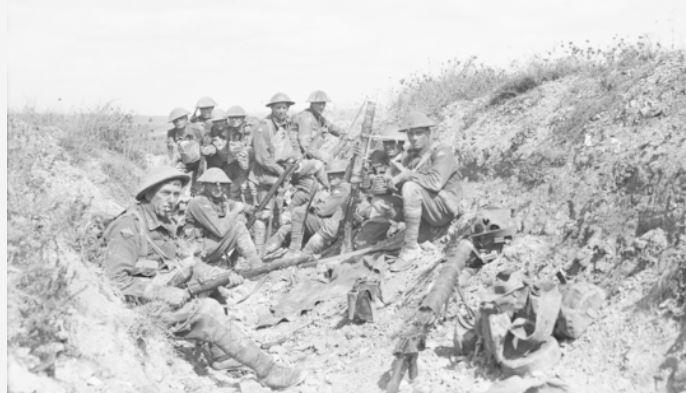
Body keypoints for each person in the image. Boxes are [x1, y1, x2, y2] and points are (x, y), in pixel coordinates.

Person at [103, 167, 303, 389]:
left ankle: (220, 355)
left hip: (160, 296)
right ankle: (269, 372)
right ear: (148, 194)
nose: (172, 200)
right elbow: (114, 280)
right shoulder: (129, 227)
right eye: (165, 193)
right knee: (208, 309)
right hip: (135, 309)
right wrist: (161, 292)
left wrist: (220, 276)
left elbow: (185, 264)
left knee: (212, 287)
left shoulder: (163, 223)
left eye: (176, 194)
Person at [251, 93, 328, 251]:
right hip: (266, 174)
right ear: (272, 108)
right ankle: (258, 251)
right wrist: (281, 171)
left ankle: (290, 211)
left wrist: (296, 161)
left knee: (310, 182)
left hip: (286, 169)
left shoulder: (286, 123)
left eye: (284, 107)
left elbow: (293, 146)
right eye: (278, 107)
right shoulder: (263, 127)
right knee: (264, 214)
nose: (282, 110)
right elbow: (262, 158)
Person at [390, 111, 462, 271]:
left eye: (419, 133)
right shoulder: (410, 157)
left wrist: (407, 176)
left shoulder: (442, 151)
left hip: (443, 209)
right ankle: (420, 237)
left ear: (429, 133)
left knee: (410, 187)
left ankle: (410, 249)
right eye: (410, 134)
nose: (414, 138)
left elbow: (435, 182)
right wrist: (387, 185)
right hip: (426, 211)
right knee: (384, 200)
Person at [264, 160, 351, 256]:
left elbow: (322, 210)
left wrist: (312, 207)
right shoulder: (334, 189)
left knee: (298, 213)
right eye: (329, 175)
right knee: (286, 228)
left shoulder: (343, 189)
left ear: (342, 175)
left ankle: (294, 250)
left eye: (334, 175)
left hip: (330, 227)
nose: (330, 178)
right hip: (323, 223)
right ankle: (266, 250)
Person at [183, 168, 261, 269]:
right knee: (238, 226)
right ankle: (255, 264)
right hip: (195, 249)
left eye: (222, 184)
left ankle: (238, 262)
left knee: (241, 219)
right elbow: (220, 230)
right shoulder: (198, 202)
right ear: (205, 185)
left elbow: (242, 206)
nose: (219, 188)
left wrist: (255, 210)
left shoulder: (219, 200)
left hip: (209, 246)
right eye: (214, 184)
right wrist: (236, 211)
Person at [294, 90, 349, 162]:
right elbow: (306, 146)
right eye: (319, 104)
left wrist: (345, 134)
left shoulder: (318, 117)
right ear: (312, 104)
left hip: (309, 154)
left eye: (323, 104)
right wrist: (322, 156)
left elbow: (332, 128)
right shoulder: (306, 118)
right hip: (298, 157)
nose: (322, 107)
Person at [166, 107, 205, 189]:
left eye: (181, 119)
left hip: (200, 160)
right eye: (175, 120)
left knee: (199, 182)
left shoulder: (197, 129)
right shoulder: (171, 133)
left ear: (186, 118)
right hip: (184, 161)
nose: (178, 122)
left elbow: (205, 143)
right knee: (174, 176)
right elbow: (171, 153)